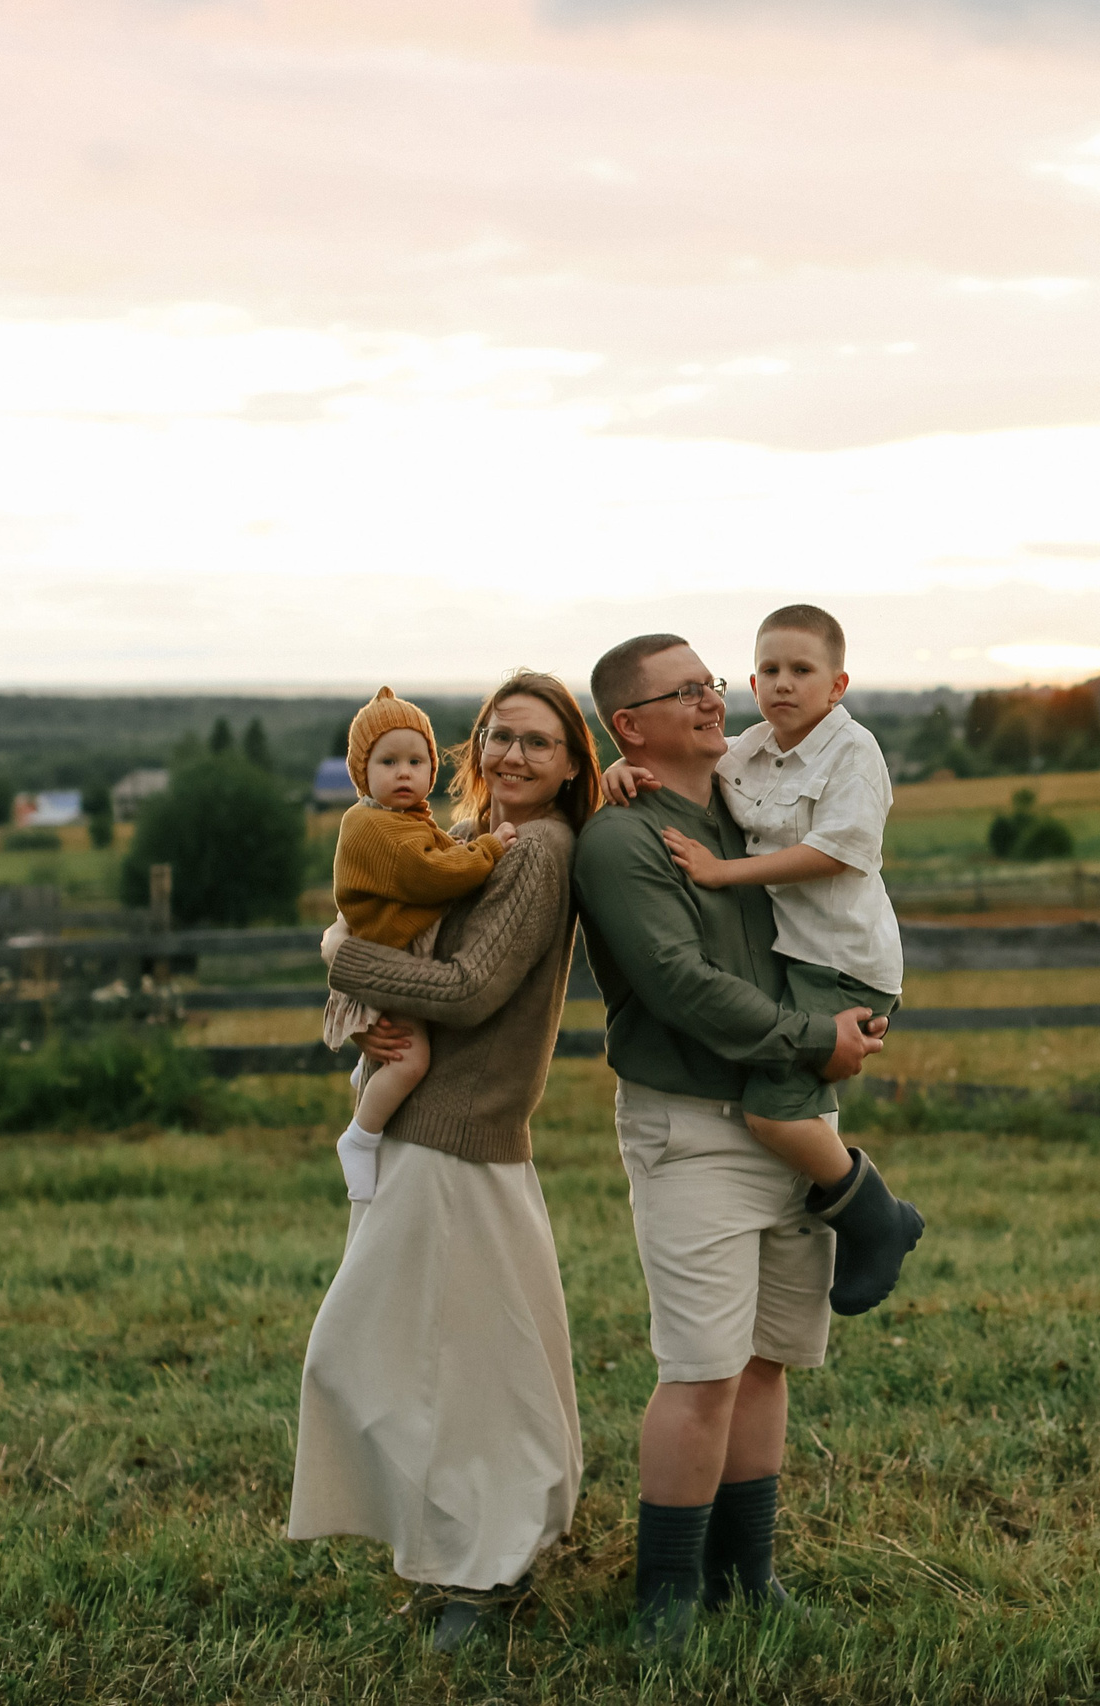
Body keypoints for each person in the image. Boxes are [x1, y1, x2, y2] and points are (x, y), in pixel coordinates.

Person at [573, 632, 913, 1646]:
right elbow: (678, 985)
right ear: (630, 726)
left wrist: (832, 1026)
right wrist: (814, 1036)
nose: (717, 700)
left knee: (767, 1359)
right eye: (688, 692)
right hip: (695, 1123)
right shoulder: (622, 838)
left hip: (793, 1104)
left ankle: (745, 1576)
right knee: (702, 1368)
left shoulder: (746, 799)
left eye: (710, 682)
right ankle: (667, 1594)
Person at [287, 672, 602, 1654]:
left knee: (420, 1360)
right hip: (434, 1130)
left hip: (457, 1137)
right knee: (453, 1360)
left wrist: (344, 953)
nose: (510, 754)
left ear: (567, 764)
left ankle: (482, 1563)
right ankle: (462, 1554)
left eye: (536, 742)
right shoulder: (479, 845)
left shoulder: (540, 852)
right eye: (496, 735)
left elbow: (466, 991)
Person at [612, 604, 920, 1309]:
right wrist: (619, 773)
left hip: (843, 963)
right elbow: (686, 771)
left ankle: (878, 1222)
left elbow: (838, 852)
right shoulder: (750, 750)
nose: (784, 684)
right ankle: (842, 1218)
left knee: (774, 1115)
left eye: (802, 671)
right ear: (752, 680)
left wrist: (722, 874)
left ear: (837, 685)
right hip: (797, 960)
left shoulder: (854, 753)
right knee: (789, 1105)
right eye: (770, 671)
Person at [321, 686, 514, 1202]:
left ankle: (369, 1107)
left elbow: (440, 846)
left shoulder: (404, 820)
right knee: (411, 1058)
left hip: (390, 954)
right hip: (384, 961)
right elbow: (429, 873)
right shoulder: (371, 826)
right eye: (387, 761)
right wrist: (489, 849)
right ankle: (360, 1137)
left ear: (432, 767)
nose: (403, 772)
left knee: (396, 1053)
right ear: (362, 773)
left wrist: (470, 840)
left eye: (416, 759)